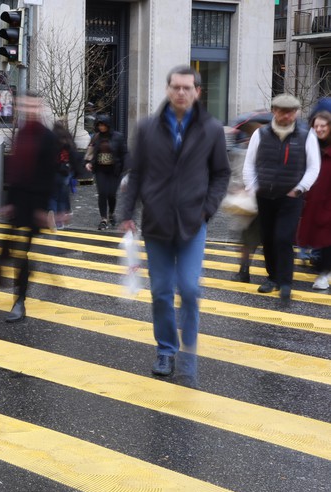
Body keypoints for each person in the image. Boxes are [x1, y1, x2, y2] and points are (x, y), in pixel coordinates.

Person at [117, 65, 230, 380]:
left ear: (197, 92)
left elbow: (221, 174)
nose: (181, 92)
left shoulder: (211, 129)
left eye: (187, 87)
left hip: (194, 223)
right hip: (157, 224)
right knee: (163, 291)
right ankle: (166, 350)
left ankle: (189, 349)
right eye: (176, 87)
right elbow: (135, 173)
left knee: (190, 289)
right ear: (168, 90)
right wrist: (126, 213)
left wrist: (207, 209)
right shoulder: (147, 128)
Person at [242, 93, 321, 302]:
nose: (287, 116)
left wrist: (299, 189)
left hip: (291, 196)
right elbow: (249, 164)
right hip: (265, 195)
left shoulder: (307, 135)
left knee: (283, 238)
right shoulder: (260, 135)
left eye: (291, 112)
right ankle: (272, 278)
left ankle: (285, 282)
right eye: (282, 112)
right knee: (267, 238)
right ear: (274, 111)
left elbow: (314, 166)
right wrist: (253, 187)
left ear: (296, 113)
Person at [0, 91, 60, 323]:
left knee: (21, 252)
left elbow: (50, 175)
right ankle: (19, 283)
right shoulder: (21, 133)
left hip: (35, 204)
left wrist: (45, 209)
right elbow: (15, 171)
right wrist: (8, 203)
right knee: (13, 250)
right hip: (19, 201)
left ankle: (19, 300)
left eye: (34, 106)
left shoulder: (48, 137)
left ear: (40, 107)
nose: (30, 110)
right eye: (26, 106)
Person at [298, 110, 331, 290]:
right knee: (318, 237)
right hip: (315, 198)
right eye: (316, 126)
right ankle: (323, 270)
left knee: (326, 237)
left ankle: (324, 274)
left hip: (328, 198)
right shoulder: (311, 145)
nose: (319, 129)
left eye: (323, 126)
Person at [85, 113, 127, 230]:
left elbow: (124, 153)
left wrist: (126, 167)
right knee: (102, 193)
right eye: (99, 125)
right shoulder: (96, 137)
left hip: (114, 170)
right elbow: (91, 152)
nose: (101, 127)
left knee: (111, 194)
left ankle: (111, 213)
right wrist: (88, 163)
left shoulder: (118, 137)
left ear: (108, 125)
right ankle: (103, 219)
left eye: (103, 125)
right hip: (100, 170)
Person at [50, 119, 84, 229]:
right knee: (62, 196)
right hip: (66, 171)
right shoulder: (68, 138)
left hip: (54, 171)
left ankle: (52, 215)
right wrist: (76, 172)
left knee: (53, 196)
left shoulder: (51, 138)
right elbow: (74, 154)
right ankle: (59, 222)